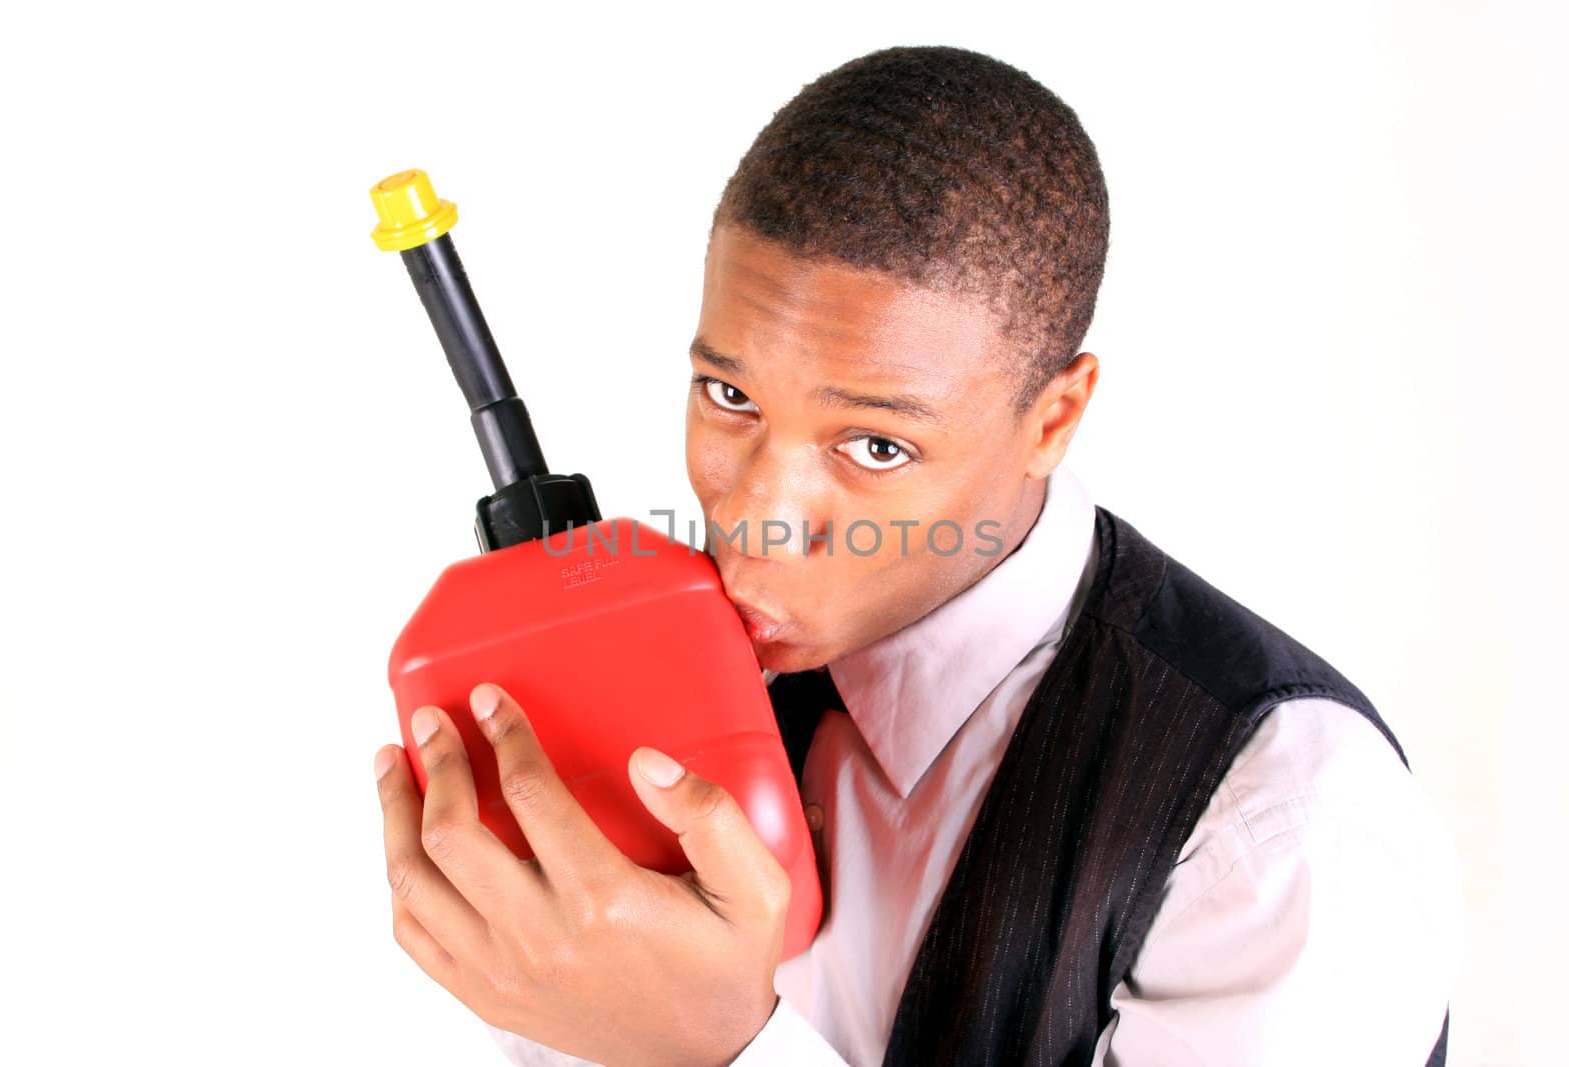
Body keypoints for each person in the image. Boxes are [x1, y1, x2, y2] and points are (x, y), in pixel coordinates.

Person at [371, 45, 1461, 1065]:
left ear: (1053, 416)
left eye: (877, 444)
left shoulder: (1274, 830)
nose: (758, 519)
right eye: (730, 396)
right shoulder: (659, 670)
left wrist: (723, 1047)